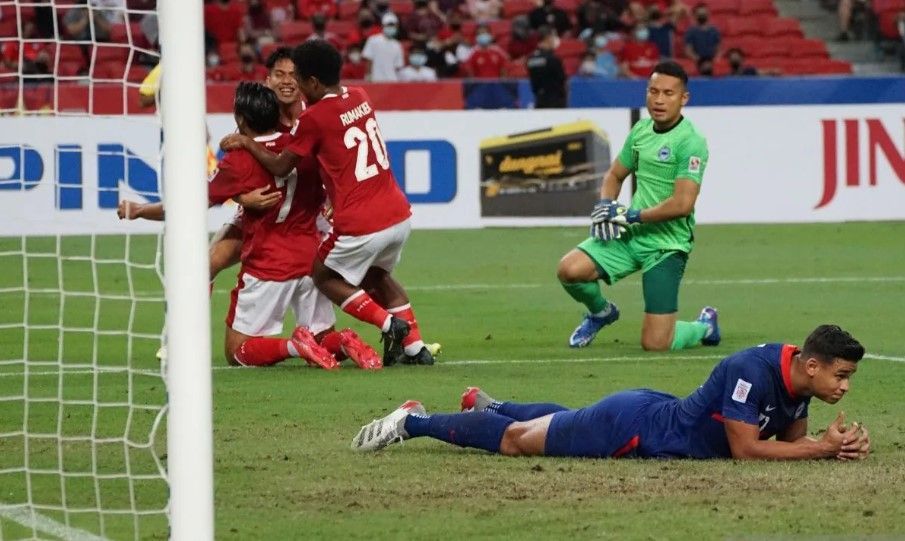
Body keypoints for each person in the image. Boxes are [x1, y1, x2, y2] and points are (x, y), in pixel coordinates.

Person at [353, 325, 872, 464]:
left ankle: (491, 405)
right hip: (635, 431)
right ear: (812, 365)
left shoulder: (798, 379)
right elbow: (747, 451)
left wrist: (835, 446)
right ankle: (411, 421)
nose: (845, 386)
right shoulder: (750, 371)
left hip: (649, 412)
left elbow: (791, 444)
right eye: (842, 376)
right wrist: (820, 450)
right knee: (516, 441)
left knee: (566, 420)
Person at [220, 40, 436, 366]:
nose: (296, 85)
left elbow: (281, 166)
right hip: (398, 214)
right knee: (376, 277)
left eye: (299, 79)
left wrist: (247, 143)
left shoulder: (314, 118)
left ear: (313, 82)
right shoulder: (360, 96)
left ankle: (389, 324)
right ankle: (415, 348)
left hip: (361, 221)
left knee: (323, 276)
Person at [556, 61, 715, 351]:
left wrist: (631, 215)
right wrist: (606, 206)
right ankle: (601, 312)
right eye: (653, 91)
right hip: (630, 233)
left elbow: (682, 204)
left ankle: (704, 326)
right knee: (569, 270)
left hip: (666, 245)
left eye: (668, 93)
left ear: (684, 98)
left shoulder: (691, 142)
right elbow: (614, 175)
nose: (658, 100)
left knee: (656, 343)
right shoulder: (641, 130)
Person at [526, 26, 566, 108]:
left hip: (539, 100)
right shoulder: (553, 59)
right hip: (555, 103)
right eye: (553, 37)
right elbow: (562, 80)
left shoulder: (531, 59)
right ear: (548, 38)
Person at [362, 12, 405, 81]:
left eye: (393, 26)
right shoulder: (373, 40)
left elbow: (398, 66)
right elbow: (369, 60)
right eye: (388, 25)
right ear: (383, 26)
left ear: (396, 27)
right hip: (376, 80)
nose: (390, 28)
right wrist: (368, 75)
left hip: (392, 80)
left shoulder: (397, 45)